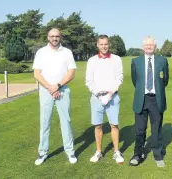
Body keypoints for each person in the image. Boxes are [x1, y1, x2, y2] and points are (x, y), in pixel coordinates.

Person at [33, 28, 77, 165]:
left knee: (66, 121)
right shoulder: (41, 52)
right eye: (52, 36)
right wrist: (50, 88)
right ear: (48, 37)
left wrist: (57, 86)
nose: (54, 38)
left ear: (60, 37)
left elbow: (71, 73)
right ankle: (42, 153)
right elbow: (37, 74)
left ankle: (70, 152)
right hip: (46, 91)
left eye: (57, 36)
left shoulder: (67, 52)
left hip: (62, 89)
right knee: (45, 122)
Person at [129, 36, 169, 167]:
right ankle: (137, 154)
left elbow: (165, 80)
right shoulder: (136, 61)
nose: (148, 46)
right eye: (146, 44)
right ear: (142, 47)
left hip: (156, 100)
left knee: (156, 129)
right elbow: (135, 81)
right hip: (142, 99)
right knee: (140, 130)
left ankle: (158, 155)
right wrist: (143, 91)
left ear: (155, 47)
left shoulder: (162, 61)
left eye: (151, 44)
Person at [85, 34, 124, 164]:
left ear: (109, 45)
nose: (103, 46)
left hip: (113, 96)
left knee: (114, 124)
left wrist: (110, 94)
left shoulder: (116, 59)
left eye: (106, 44)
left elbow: (119, 78)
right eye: (101, 44)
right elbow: (89, 81)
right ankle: (98, 151)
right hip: (97, 97)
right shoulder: (92, 60)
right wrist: (99, 95)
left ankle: (116, 152)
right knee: (98, 126)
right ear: (97, 45)